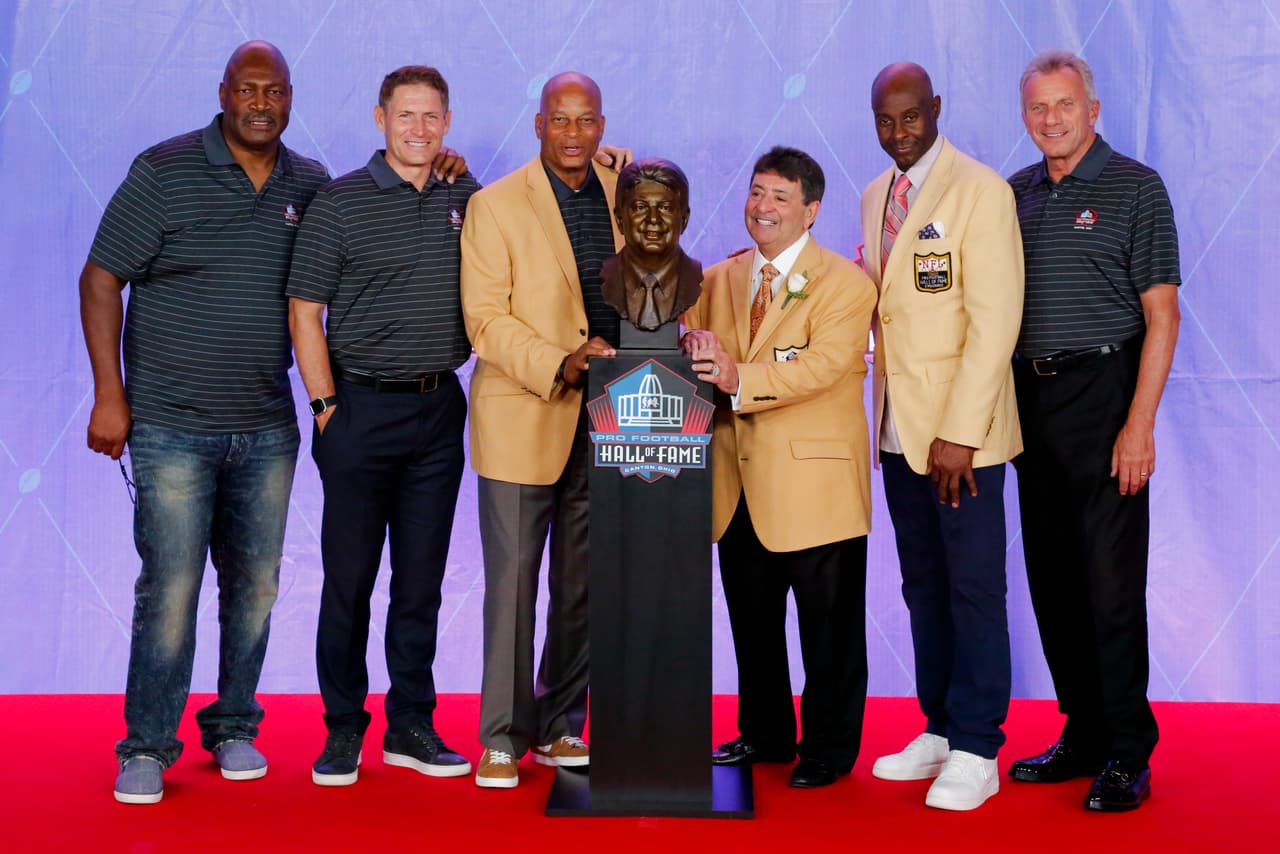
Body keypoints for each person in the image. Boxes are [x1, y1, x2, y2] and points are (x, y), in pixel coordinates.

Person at [79, 41, 330, 804]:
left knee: (255, 588)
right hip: (169, 424)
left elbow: (356, 245)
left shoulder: (309, 183)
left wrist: (445, 168)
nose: (261, 104)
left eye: (274, 91)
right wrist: (109, 395)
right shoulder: (165, 170)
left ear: (290, 98)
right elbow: (101, 279)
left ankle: (233, 727)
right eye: (247, 90)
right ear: (223, 94)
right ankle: (147, 745)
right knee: (172, 588)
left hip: (266, 427)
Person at [286, 66, 477, 787]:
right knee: (350, 581)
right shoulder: (339, 202)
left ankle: (411, 726)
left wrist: (610, 167)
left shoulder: (467, 196)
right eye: (405, 116)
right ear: (380, 118)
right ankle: (342, 730)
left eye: (431, 117)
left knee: (420, 582)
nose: (418, 130)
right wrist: (324, 408)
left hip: (438, 410)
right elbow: (305, 311)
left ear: (447, 122)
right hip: (358, 411)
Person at [1006, 50, 1180, 813]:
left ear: (1093, 110)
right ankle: (1081, 734)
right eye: (1038, 107)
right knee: (1054, 582)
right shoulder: (1013, 195)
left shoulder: (1137, 187)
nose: (1052, 119)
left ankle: (1127, 753)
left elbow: (1163, 315)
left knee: (1110, 588)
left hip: (1105, 397)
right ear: (1025, 115)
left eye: (1065, 105)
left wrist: (1139, 425)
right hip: (1027, 400)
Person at [683, 146, 877, 789]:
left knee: (830, 631)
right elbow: (681, 340)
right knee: (753, 624)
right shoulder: (716, 279)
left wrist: (737, 377)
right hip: (737, 483)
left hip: (818, 489)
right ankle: (764, 734)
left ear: (811, 211)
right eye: (757, 192)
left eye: (780, 197)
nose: (763, 207)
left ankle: (828, 748)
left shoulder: (847, 284)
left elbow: (825, 368)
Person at [859, 62, 1024, 811]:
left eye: (911, 116)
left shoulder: (981, 190)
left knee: (973, 586)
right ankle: (940, 726)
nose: (899, 132)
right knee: (922, 584)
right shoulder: (875, 195)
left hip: (961, 441)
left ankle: (979, 746)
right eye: (885, 120)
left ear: (936, 108)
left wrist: (961, 435)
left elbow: (994, 323)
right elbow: (883, 303)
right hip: (899, 430)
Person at [459, 71, 622, 789]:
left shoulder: (626, 192)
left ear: (602, 126)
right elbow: (485, 319)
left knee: (581, 584)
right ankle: (501, 737)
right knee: (514, 585)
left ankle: (560, 726)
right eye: (561, 119)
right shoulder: (494, 205)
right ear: (538, 125)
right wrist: (561, 361)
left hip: (609, 418)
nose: (573, 134)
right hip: (525, 412)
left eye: (586, 121)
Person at [600, 158, 702, 332]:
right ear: (619, 220)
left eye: (665, 208)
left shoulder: (700, 279)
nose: (653, 219)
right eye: (640, 207)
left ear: (684, 219)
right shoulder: (602, 277)